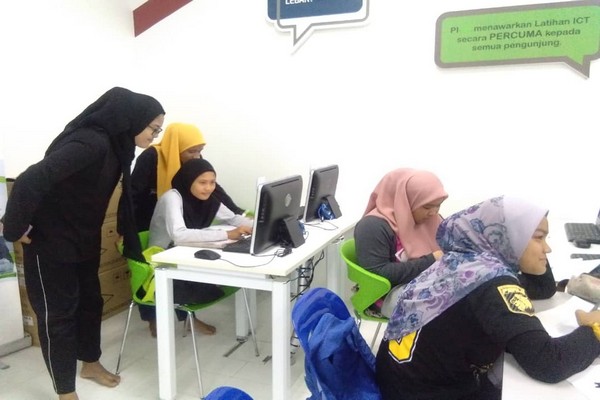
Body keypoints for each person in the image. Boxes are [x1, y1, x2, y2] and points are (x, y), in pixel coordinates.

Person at [1, 87, 165, 400]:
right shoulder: (91, 143)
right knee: (58, 317)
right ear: (133, 119)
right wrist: (14, 228)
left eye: (159, 130)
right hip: (50, 243)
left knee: (91, 304)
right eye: (153, 128)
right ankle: (66, 392)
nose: (155, 135)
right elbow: (30, 179)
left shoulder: (118, 147)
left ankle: (90, 364)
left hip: (82, 238)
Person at [376, 196, 600, 400]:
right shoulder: (493, 282)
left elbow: (543, 288)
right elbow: (548, 363)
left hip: (400, 385)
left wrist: (526, 247)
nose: (547, 248)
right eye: (539, 238)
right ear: (506, 236)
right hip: (431, 393)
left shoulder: (467, 262)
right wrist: (594, 330)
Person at [147, 158, 253, 335]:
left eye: (212, 182)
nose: (209, 188)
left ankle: (189, 318)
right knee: (215, 287)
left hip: (185, 252)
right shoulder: (173, 198)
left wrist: (260, 225)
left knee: (222, 281)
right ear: (189, 180)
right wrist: (227, 235)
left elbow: (233, 218)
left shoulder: (209, 198)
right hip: (163, 259)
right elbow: (179, 234)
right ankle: (186, 318)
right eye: (202, 183)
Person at [353, 168, 448, 316]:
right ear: (404, 201)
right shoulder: (372, 226)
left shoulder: (431, 220)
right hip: (388, 293)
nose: (434, 212)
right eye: (427, 206)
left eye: (438, 205)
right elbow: (377, 273)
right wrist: (431, 260)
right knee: (453, 307)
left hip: (428, 282)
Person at [121, 122, 244, 233]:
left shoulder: (194, 160)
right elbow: (133, 194)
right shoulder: (152, 156)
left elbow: (214, 188)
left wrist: (238, 212)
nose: (197, 156)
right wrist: (125, 229)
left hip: (181, 220)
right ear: (176, 146)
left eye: (199, 151)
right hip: (149, 218)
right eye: (191, 151)